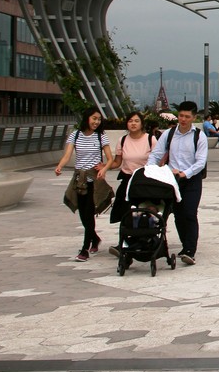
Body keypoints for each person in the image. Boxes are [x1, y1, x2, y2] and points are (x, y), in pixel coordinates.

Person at [147, 100, 209, 266]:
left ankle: (190, 250)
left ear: (194, 118)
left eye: (187, 116)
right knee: (178, 215)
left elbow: (200, 162)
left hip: (191, 179)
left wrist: (185, 173)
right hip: (172, 180)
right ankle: (184, 246)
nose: (183, 119)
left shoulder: (199, 136)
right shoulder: (169, 134)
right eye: (181, 115)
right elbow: (156, 154)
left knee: (189, 213)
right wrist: (149, 169)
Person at [55, 105, 115, 261]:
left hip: (93, 181)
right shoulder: (75, 136)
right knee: (83, 214)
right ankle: (94, 238)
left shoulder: (101, 136)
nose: (96, 122)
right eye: (94, 118)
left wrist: (104, 169)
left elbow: (110, 158)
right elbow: (67, 155)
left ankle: (84, 249)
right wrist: (60, 166)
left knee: (88, 214)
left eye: (99, 119)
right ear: (87, 118)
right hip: (79, 180)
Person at [105, 111, 158, 256]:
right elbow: (117, 162)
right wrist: (104, 166)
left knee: (145, 211)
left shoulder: (150, 140)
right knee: (125, 212)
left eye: (136, 121)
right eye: (130, 121)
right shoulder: (122, 140)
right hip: (128, 180)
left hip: (146, 181)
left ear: (141, 124)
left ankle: (146, 239)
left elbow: (159, 160)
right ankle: (125, 242)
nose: (133, 123)